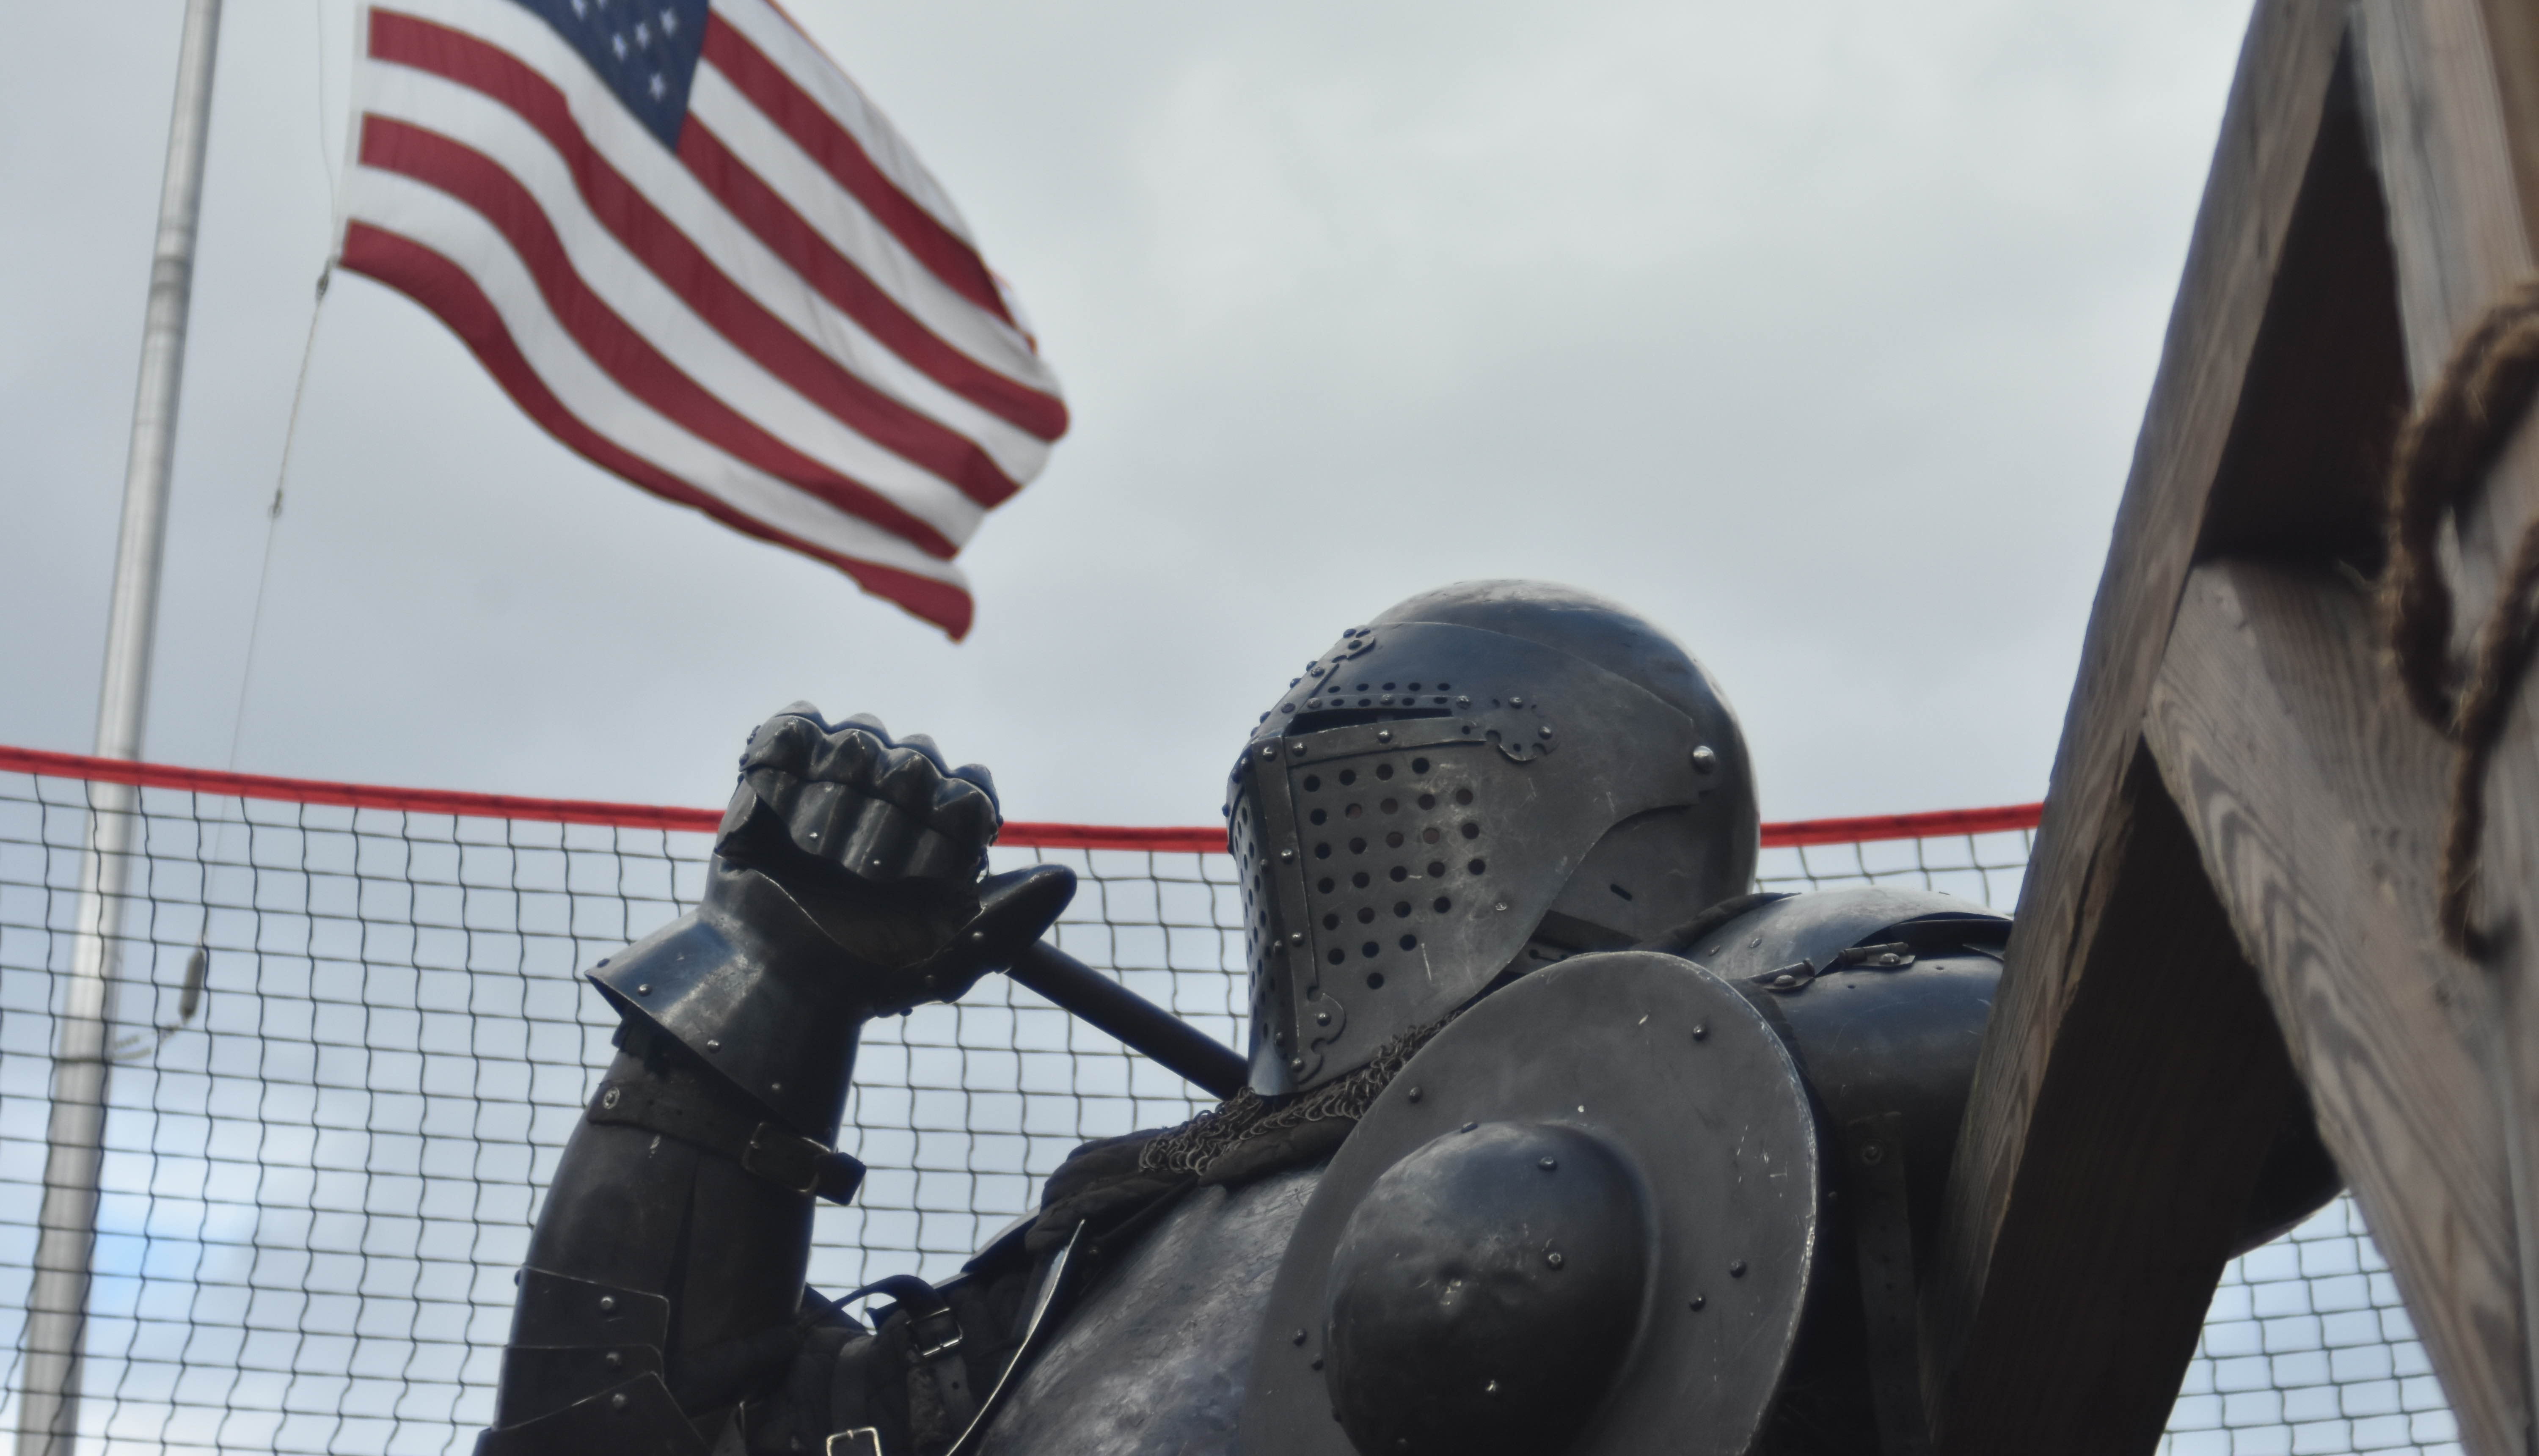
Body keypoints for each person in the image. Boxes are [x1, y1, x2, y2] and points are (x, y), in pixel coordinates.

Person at [474, 580, 2329, 1456]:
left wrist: (1644, 1141)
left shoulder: (1792, 993)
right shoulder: (1078, 1278)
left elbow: (2204, 1081)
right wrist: (763, 984)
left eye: (1401, 791)